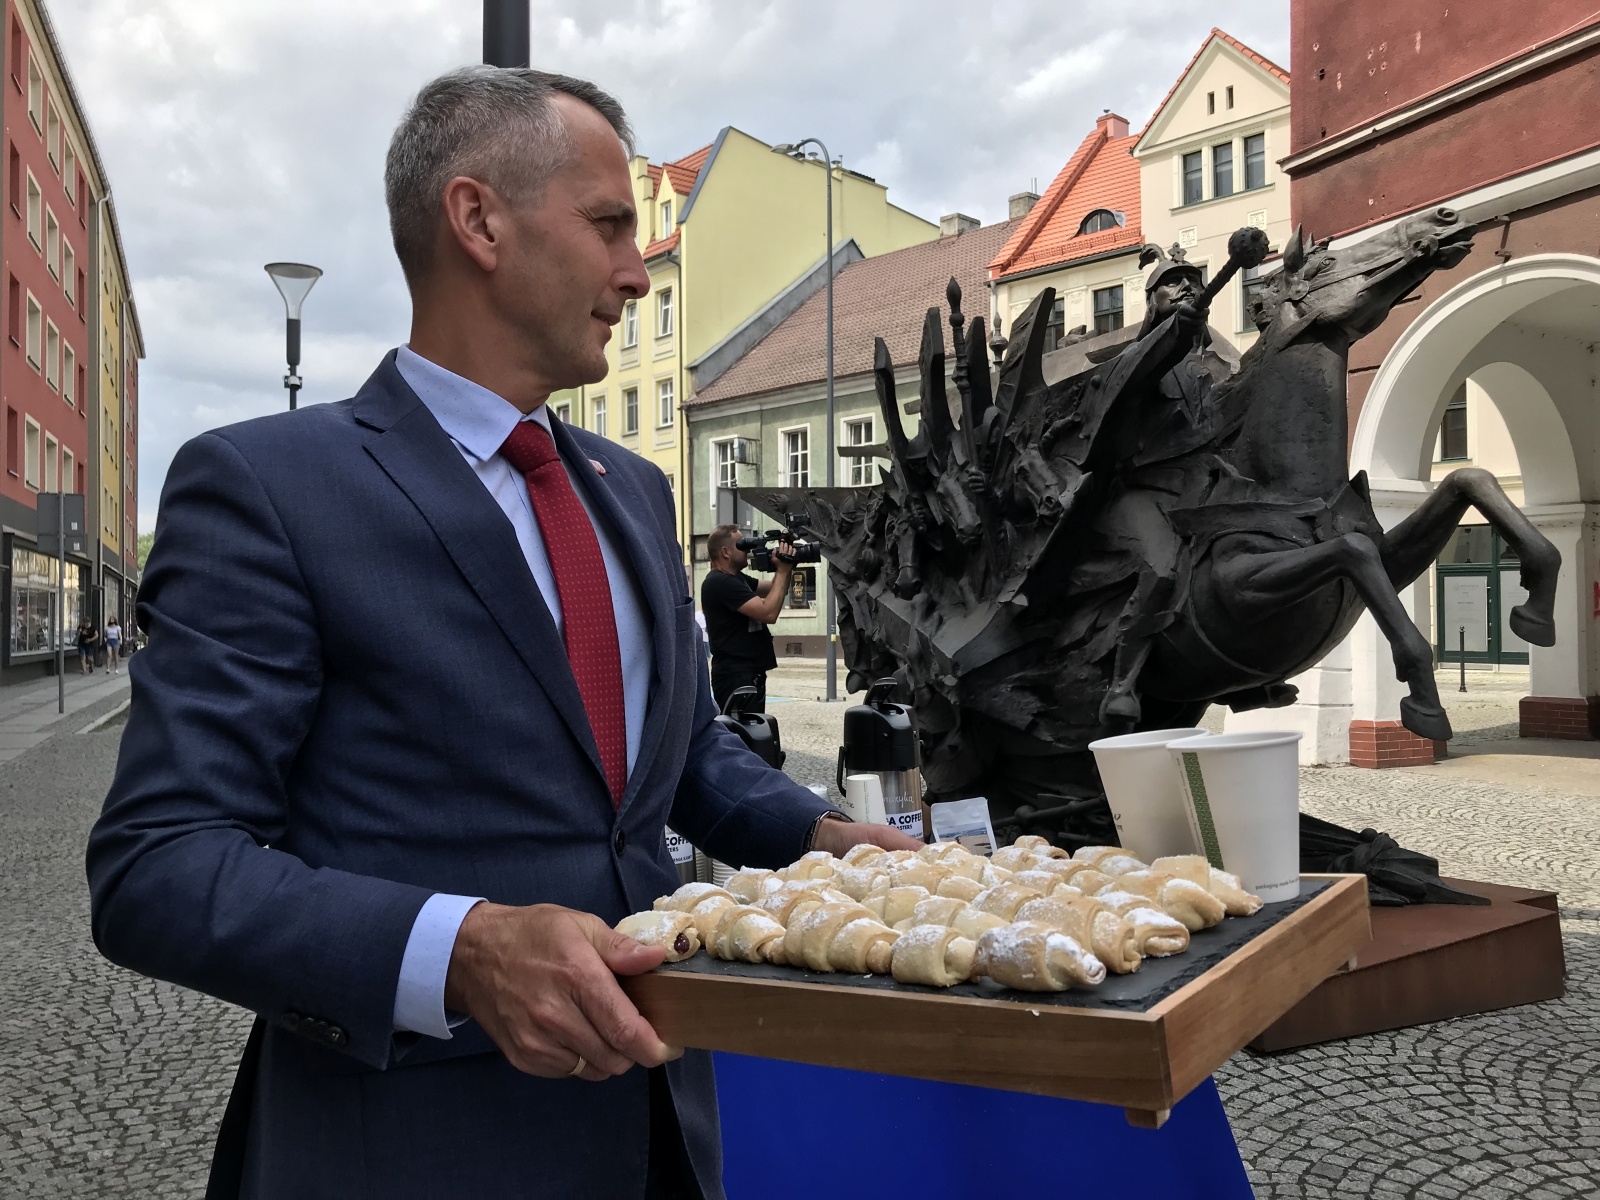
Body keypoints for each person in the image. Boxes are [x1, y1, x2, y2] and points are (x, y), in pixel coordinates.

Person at [85, 66, 918, 1200]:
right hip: (408, 1147)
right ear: (477, 218)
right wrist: (461, 950)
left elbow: (664, 756)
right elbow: (161, 865)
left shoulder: (628, 488)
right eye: (608, 224)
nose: (636, 269)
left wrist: (825, 840)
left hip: (662, 1131)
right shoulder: (269, 487)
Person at [700, 524, 793, 712]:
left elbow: (776, 589)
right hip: (735, 675)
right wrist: (782, 570)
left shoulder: (737, 579)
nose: (748, 551)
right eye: (741, 545)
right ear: (725, 552)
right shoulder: (720, 582)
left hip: (749, 673)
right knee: (743, 736)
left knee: (754, 734)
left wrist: (786, 563)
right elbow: (768, 612)